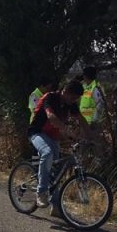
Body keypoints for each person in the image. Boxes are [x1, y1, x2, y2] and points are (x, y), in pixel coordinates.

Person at [28, 80, 90, 208]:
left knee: (56, 169)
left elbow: (81, 119)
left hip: (53, 137)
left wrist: (89, 136)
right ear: (65, 91)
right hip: (37, 133)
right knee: (47, 153)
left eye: (76, 99)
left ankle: (55, 203)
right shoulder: (50, 97)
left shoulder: (70, 104)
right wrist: (68, 131)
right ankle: (41, 193)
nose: (74, 101)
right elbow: (51, 117)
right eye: (73, 97)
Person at [79, 66, 107, 152]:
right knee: (84, 142)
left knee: (95, 142)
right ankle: (83, 161)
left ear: (86, 76)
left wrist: (94, 120)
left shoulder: (95, 88)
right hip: (85, 121)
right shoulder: (85, 87)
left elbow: (100, 105)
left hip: (93, 122)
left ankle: (99, 162)